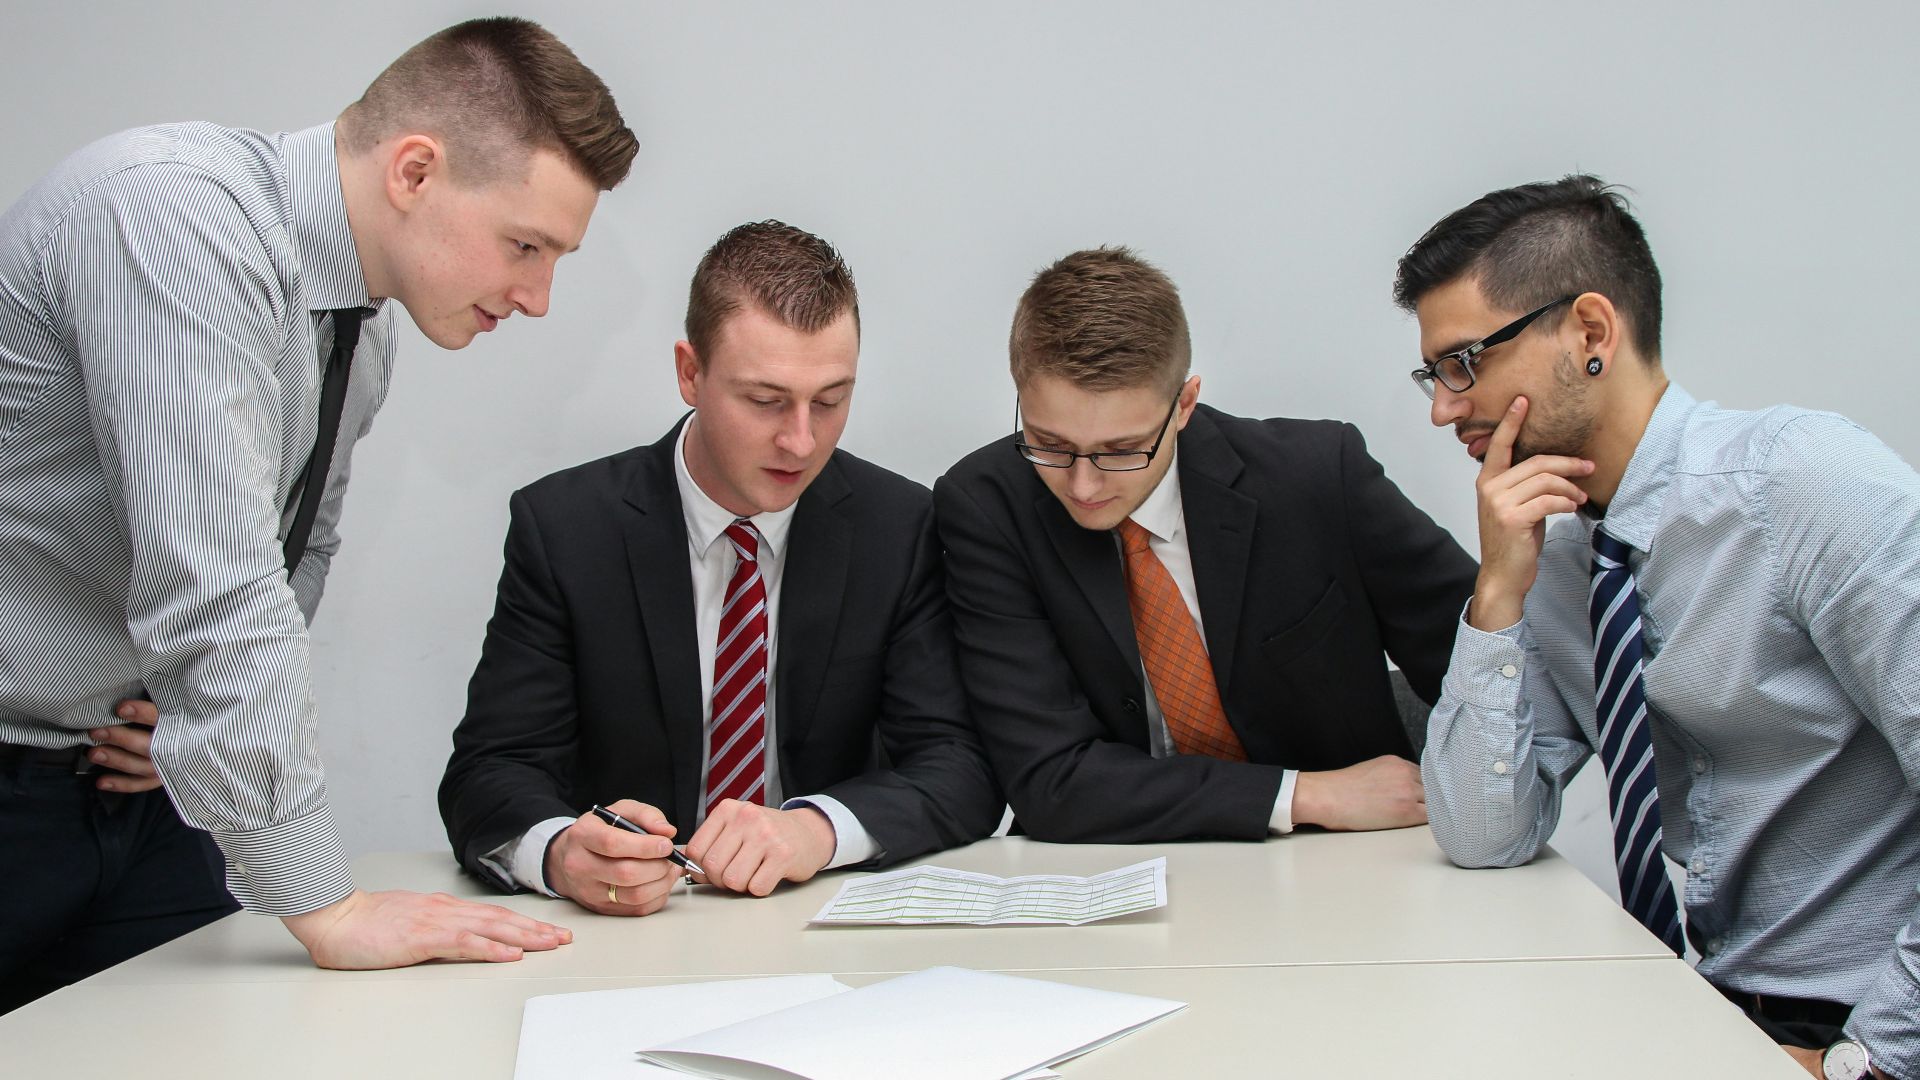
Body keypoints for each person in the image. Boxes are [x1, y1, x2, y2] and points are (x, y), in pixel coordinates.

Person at [0, 16, 637, 1008]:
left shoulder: (361, 333)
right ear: (415, 172)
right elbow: (215, 587)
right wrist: (326, 904)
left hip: (129, 791)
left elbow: (299, 550)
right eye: (526, 244)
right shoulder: (171, 214)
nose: (538, 296)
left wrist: (183, 722)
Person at [1398, 175, 1917, 1080]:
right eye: (1434, 373)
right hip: (1714, 1007)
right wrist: (1496, 593)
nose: (1444, 406)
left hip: (1868, 1022)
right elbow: (1483, 836)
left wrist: (1867, 1062)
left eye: (1465, 362)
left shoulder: (1805, 484)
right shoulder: (1558, 556)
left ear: (1592, 333)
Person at [438, 221, 1002, 914]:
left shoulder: (899, 527)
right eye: (764, 401)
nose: (800, 440)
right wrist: (561, 854)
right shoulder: (566, 529)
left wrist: (814, 830)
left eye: (830, 401)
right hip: (625, 937)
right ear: (690, 373)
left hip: (815, 924)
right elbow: (490, 772)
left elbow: (961, 769)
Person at [933, 247, 1475, 844]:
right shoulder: (986, 506)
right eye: (1049, 443)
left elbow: (1484, 677)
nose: (1083, 485)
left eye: (1121, 451)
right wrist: (1305, 794)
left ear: (1184, 404)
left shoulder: (1318, 478)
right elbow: (1051, 781)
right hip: (1113, 865)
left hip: (1349, 860)